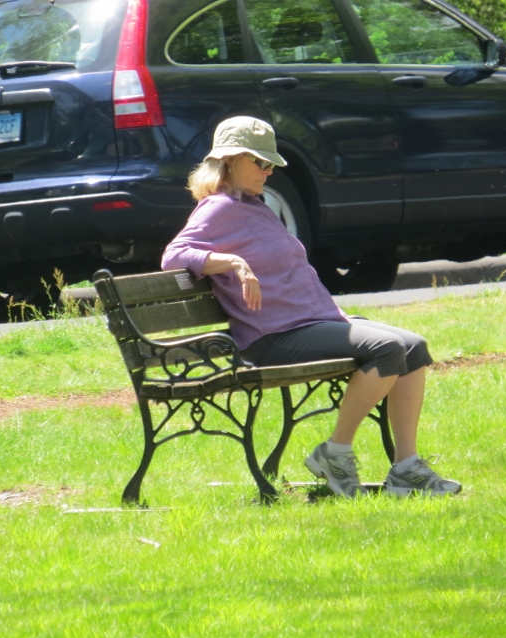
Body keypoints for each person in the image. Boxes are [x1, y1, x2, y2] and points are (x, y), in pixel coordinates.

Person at [161, 115, 462, 498]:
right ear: (230, 159)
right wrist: (234, 264)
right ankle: (335, 454)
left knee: (414, 345)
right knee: (387, 348)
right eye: (260, 162)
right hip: (272, 337)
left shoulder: (253, 206)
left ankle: (406, 469)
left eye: (271, 164)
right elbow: (174, 256)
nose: (268, 171)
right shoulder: (218, 208)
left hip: (307, 322)